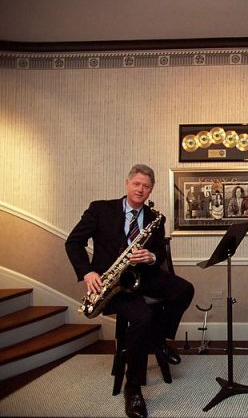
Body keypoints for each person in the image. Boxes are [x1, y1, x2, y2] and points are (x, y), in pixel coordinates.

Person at [65, 164, 194, 418]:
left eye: (146, 186)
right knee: (142, 317)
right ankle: (133, 388)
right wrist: (87, 273)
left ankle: (158, 338)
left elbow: (158, 250)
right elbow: (73, 243)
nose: (141, 190)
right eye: (137, 184)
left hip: (142, 276)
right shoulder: (100, 209)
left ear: (151, 190)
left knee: (185, 290)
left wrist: (151, 256)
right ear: (127, 184)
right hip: (112, 284)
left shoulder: (156, 218)